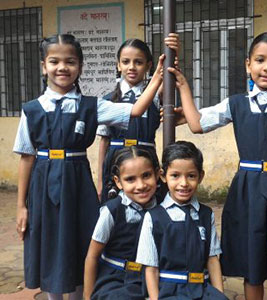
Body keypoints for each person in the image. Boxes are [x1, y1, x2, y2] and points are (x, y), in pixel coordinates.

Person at [169, 31, 267, 300]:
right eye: (260, 60)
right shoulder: (237, 104)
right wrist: (183, 87)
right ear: (248, 64)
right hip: (249, 191)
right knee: (253, 262)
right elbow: (197, 124)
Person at [14, 33, 164, 299]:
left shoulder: (92, 106)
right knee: (50, 241)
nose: (62, 67)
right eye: (54, 61)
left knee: (81, 239)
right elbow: (26, 157)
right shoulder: (32, 109)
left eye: (70, 61)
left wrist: (158, 78)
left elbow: (136, 110)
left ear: (80, 66)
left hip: (77, 183)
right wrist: (21, 206)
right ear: (43, 66)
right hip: (43, 184)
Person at [135, 141, 228, 300]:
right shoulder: (153, 217)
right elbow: (150, 268)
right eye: (175, 176)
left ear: (201, 176)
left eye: (191, 176)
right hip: (169, 291)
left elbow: (212, 259)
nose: (183, 183)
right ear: (163, 176)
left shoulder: (206, 214)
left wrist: (219, 294)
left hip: (201, 289)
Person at [97, 35, 179, 203]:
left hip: (146, 159)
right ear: (118, 65)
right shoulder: (107, 100)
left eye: (138, 62)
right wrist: (99, 182)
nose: (131, 67)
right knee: (116, 212)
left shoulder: (154, 96)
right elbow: (104, 142)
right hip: (115, 161)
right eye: (126, 62)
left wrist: (173, 53)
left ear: (149, 66)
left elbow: (167, 76)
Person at [84, 146, 160, 300]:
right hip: (117, 280)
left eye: (146, 175)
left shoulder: (164, 208)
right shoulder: (112, 211)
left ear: (158, 174)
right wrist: (88, 297)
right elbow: (92, 256)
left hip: (153, 278)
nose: (141, 185)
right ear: (118, 182)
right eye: (130, 179)